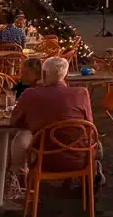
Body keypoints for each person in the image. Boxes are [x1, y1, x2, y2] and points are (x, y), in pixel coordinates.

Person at [10, 56, 103, 185]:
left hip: (45, 160)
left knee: (21, 138)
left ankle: (21, 181)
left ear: (43, 74)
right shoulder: (82, 93)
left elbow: (15, 123)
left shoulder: (29, 94)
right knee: (96, 144)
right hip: (80, 158)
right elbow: (89, 126)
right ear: (65, 76)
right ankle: (91, 174)